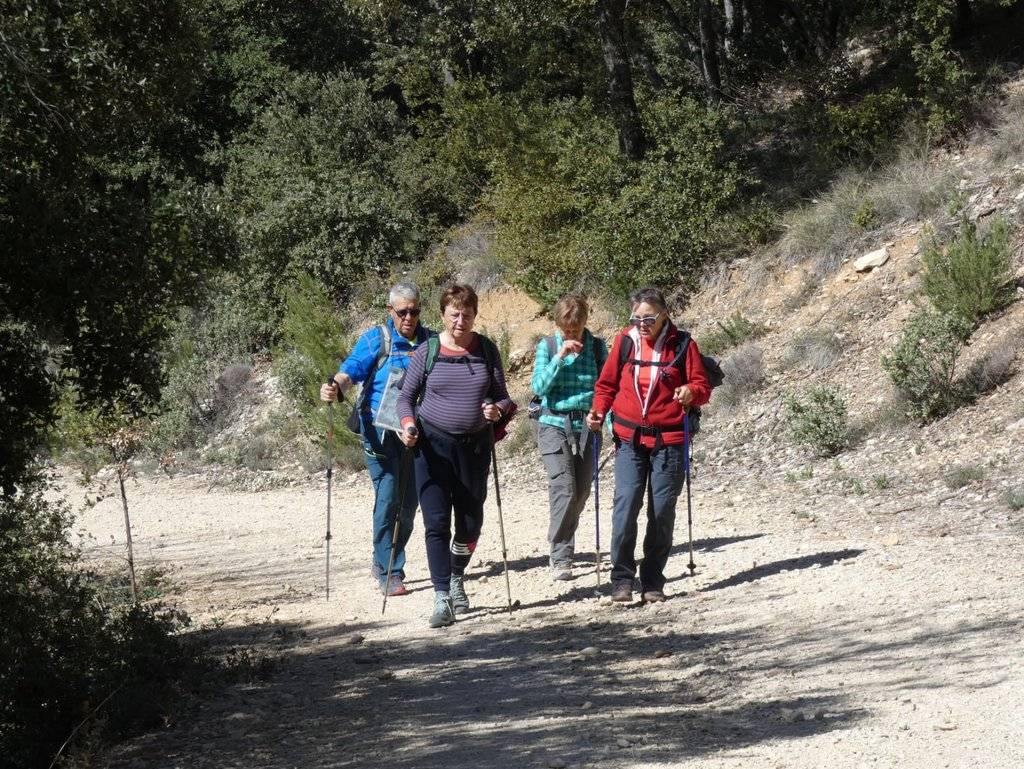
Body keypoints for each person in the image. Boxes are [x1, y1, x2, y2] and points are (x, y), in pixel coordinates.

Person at [397, 284, 514, 628]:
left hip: (475, 447)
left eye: (467, 314)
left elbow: (504, 398)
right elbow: (406, 398)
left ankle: (457, 574)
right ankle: (442, 597)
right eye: (454, 313)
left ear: (475, 315)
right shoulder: (427, 351)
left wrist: (497, 410)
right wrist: (407, 424)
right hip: (431, 446)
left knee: (470, 522)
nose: (460, 320)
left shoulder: (487, 351)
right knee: (436, 522)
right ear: (443, 315)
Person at [585, 287, 711, 603]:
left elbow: (702, 388)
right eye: (637, 317)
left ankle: (653, 580)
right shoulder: (626, 340)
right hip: (629, 438)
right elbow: (606, 384)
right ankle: (622, 580)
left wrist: (690, 392)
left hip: (670, 440)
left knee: (663, 510)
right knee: (626, 506)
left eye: (649, 318)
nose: (642, 324)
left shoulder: (683, 345)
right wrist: (598, 410)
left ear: (664, 314)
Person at [320, 282, 432, 597]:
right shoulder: (375, 339)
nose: (409, 317)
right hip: (378, 432)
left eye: (415, 311)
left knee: (409, 505)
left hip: (414, 433)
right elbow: (350, 372)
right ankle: (389, 571)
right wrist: (334, 387)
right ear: (390, 312)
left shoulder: (430, 341)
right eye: (403, 312)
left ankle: (382, 557)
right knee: (389, 496)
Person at [530, 294, 608, 581]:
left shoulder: (598, 347)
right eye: (566, 329)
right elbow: (539, 386)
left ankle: (561, 541)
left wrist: (603, 417)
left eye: (575, 329)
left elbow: (606, 386)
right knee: (564, 487)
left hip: (587, 425)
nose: (571, 334)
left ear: (585, 323)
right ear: (558, 324)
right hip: (552, 423)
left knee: (582, 490)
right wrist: (560, 358)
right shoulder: (547, 346)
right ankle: (561, 554)